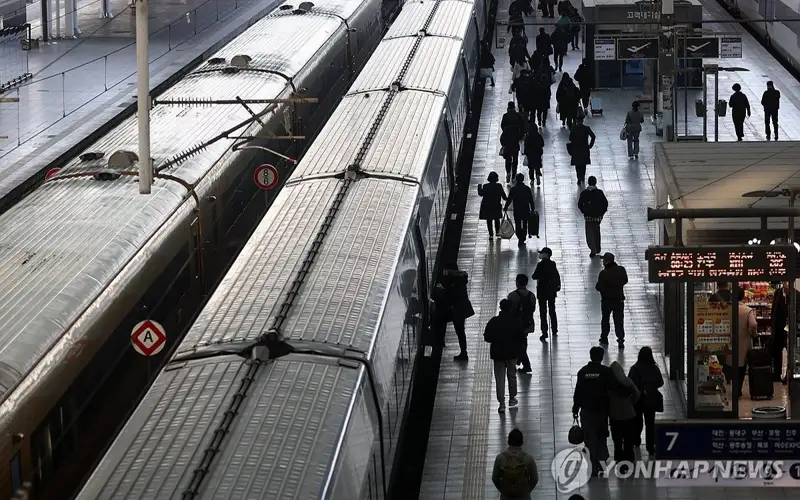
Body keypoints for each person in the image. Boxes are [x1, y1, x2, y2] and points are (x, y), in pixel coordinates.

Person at [572, 346, 631, 476]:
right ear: (602, 356)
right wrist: (629, 391)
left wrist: (575, 408)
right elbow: (616, 387)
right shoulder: (605, 372)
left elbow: (578, 392)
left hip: (587, 412)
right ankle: (601, 463)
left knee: (589, 438)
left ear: (590, 356)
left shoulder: (583, 372)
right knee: (601, 436)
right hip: (601, 412)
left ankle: (592, 466)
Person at [485, 299, 526, 413]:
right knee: (512, 376)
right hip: (512, 354)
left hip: (498, 354)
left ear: (500, 308)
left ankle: (501, 403)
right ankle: (512, 398)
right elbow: (522, 338)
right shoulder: (516, 322)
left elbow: (487, 337)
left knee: (500, 378)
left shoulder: (494, 321)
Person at [432, 268, 475, 361]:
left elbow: (449, 298)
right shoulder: (459, 282)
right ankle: (463, 352)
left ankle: (463, 352)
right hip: (460, 311)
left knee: (459, 331)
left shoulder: (454, 287)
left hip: (457, 312)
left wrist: (441, 290)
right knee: (460, 331)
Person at [628, 346, 664, 455]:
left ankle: (637, 440)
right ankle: (650, 446)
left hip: (639, 400)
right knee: (650, 423)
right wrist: (651, 387)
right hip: (651, 400)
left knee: (637, 421)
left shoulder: (635, 368)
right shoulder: (655, 368)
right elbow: (661, 382)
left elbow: (631, 383)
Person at [609, 361, 640, 468]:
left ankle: (619, 458)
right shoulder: (628, 381)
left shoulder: (609, 385)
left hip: (615, 416)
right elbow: (637, 393)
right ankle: (629, 458)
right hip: (629, 414)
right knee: (629, 439)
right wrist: (631, 403)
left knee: (617, 440)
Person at [492, 429, 539, 499]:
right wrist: (527, 490)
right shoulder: (528, 459)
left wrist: (503, 491)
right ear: (522, 442)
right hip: (523, 496)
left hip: (506, 496)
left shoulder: (500, 458)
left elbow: (495, 478)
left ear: (508, 442)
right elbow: (534, 479)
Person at [596, 252, 628, 348]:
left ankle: (604, 337)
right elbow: (625, 280)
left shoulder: (604, 274)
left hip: (607, 301)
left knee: (605, 319)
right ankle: (621, 339)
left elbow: (598, 287)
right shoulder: (621, 270)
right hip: (619, 300)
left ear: (606, 262)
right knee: (619, 321)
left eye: (604, 261)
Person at [507, 274, 537, 371]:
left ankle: (526, 365)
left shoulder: (512, 295)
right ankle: (519, 360)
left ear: (517, 282)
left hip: (516, 325)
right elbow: (533, 309)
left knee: (518, 344)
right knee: (523, 341)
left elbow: (509, 310)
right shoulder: (532, 295)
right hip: (527, 323)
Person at [532, 247, 560, 340]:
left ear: (546, 254)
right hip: (551, 291)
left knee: (543, 312)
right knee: (552, 310)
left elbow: (534, 276)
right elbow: (556, 276)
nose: (540, 255)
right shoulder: (553, 264)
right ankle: (554, 330)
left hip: (542, 291)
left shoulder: (540, 265)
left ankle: (544, 332)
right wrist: (557, 286)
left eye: (542, 253)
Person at [736, 286, 758, 398]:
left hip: (730, 342)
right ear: (743, 296)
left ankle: (733, 387)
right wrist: (753, 334)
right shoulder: (747, 310)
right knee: (742, 366)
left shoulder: (726, 308)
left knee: (731, 365)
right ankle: (738, 389)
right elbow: (753, 324)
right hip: (744, 342)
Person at [578, 178, 607, 259]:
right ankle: (597, 248)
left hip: (588, 217)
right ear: (595, 182)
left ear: (588, 182)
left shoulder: (584, 193)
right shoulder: (599, 192)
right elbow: (605, 204)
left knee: (589, 233)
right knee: (596, 231)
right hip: (598, 217)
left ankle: (593, 249)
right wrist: (601, 213)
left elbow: (579, 204)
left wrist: (584, 211)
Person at [504, 173, 536, 247]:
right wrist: (533, 208)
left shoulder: (513, 189)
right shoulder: (527, 188)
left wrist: (506, 207)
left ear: (516, 179)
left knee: (518, 224)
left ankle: (520, 237)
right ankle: (523, 237)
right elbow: (531, 199)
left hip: (517, 210)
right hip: (525, 209)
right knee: (525, 224)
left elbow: (509, 200)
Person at [478, 171, 508, 240]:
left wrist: (479, 187)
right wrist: (509, 199)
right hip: (496, 206)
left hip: (487, 206)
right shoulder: (499, 186)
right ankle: (497, 232)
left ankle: (491, 234)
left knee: (489, 220)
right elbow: (504, 196)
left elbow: (481, 194)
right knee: (497, 219)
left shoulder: (485, 186)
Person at [501, 102, 526, 183]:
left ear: (508, 108)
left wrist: (504, 140)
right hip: (515, 142)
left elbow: (502, 126)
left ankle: (508, 172)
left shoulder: (505, 116)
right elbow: (522, 127)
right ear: (514, 108)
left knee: (508, 159)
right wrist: (520, 137)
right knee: (515, 159)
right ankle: (514, 176)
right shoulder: (518, 116)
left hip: (508, 143)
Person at [567, 116, 595, 185]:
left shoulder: (574, 129)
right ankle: (582, 176)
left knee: (577, 165)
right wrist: (590, 145)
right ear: (582, 121)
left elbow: (570, 139)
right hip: (584, 149)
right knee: (583, 164)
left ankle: (579, 176)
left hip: (576, 149)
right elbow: (593, 136)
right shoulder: (586, 128)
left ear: (576, 121)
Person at [533, 59, 555, 128]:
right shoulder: (549, 68)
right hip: (545, 100)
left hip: (539, 100)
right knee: (545, 111)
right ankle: (544, 121)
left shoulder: (540, 69)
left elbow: (536, 77)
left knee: (539, 111)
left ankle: (539, 120)